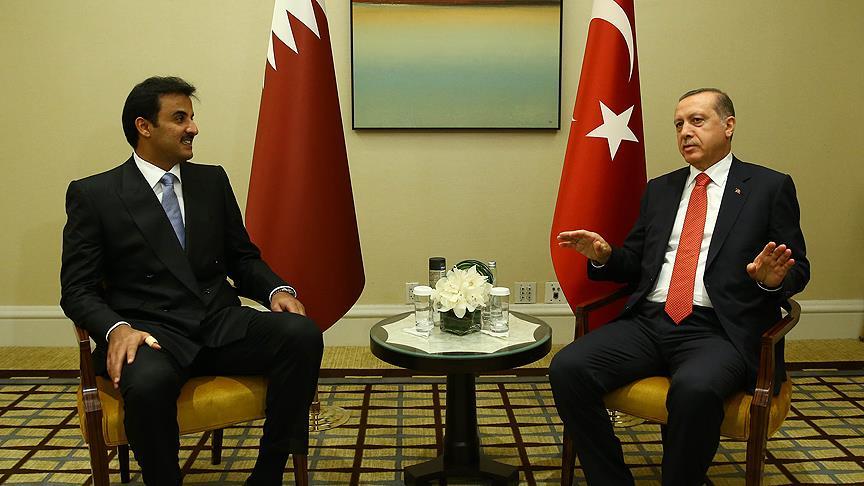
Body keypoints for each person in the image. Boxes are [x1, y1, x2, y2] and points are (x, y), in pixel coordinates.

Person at [60, 76, 323, 485]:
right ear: (144, 126)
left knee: (301, 334)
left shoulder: (211, 181)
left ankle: (269, 472)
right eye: (180, 118)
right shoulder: (95, 194)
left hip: (218, 323)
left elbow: (242, 258)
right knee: (147, 384)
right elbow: (77, 290)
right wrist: (116, 329)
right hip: (150, 332)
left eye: (192, 118)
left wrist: (277, 290)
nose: (193, 128)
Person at [549, 88, 809, 485]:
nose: (685, 132)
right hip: (649, 322)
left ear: (728, 125)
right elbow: (635, 263)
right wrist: (605, 255)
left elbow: (798, 269)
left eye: (697, 121)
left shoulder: (768, 187)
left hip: (718, 329)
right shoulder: (661, 188)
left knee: (694, 389)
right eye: (678, 125)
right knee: (568, 368)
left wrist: (773, 281)